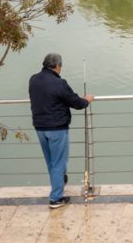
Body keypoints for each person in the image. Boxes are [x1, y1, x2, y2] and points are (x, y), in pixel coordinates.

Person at [29, 53, 93, 208]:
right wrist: (87, 100)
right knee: (58, 163)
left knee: (52, 162)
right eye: (61, 66)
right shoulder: (59, 83)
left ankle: (59, 182)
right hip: (57, 129)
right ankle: (56, 198)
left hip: (40, 128)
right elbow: (76, 102)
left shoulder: (33, 79)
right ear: (57, 66)